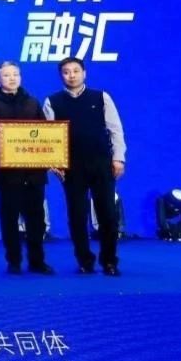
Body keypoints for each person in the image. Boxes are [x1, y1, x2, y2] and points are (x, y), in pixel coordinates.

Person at [43, 57, 127, 276]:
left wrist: (118, 158)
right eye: (66, 72)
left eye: (76, 71)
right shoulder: (52, 102)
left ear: (84, 73)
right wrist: (54, 163)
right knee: (77, 215)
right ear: (61, 76)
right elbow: (49, 138)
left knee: (108, 214)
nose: (71, 75)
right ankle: (84, 261)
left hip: (102, 164)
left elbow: (115, 130)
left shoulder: (101, 97)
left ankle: (109, 261)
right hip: (71, 167)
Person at [0, 61, 55, 275]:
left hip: (34, 171)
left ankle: (37, 260)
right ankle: (13, 260)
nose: (12, 78)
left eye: (15, 74)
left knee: (36, 218)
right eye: (6, 75)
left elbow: (46, 133)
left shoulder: (32, 102)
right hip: (7, 173)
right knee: (9, 218)